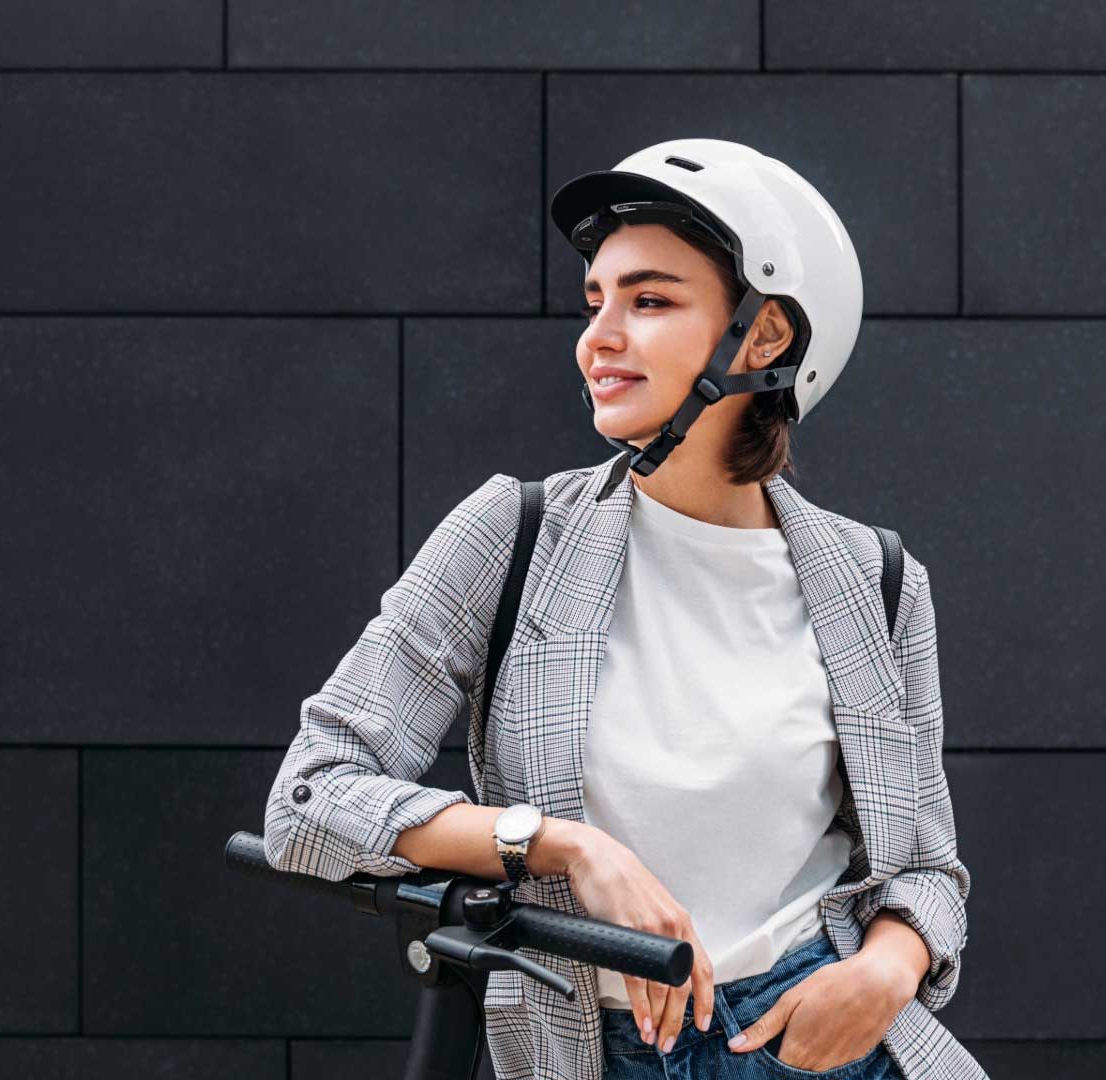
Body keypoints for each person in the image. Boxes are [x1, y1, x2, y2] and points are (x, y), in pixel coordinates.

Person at [262, 139, 985, 1080]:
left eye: (649, 301)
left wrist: (886, 969)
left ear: (764, 338)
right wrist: (555, 846)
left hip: (827, 1040)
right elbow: (310, 798)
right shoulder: (513, 533)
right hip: (598, 1047)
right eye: (594, 301)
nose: (598, 336)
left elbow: (928, 871)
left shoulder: (876, 581)